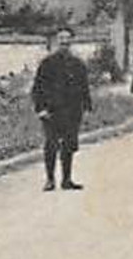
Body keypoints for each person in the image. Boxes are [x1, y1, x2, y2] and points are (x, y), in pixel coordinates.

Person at [33, 27, 92, 191]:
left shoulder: (78, 64)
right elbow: (38, 88)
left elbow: (84, 87)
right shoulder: (47, 63)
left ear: (72, 41)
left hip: (72, 112)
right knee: (51, 144)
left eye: (67, 39)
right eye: (61, 38)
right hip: (51, 112)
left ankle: (67, 179)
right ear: (56, 41)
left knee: (69, 145)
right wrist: (41, 108)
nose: (64, 42)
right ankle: (50, 179)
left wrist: (86, 106)